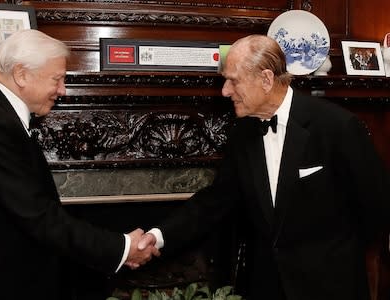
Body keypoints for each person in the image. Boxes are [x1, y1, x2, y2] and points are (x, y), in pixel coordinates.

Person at [137, 34, 390, 300]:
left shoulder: (338, 127)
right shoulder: (242, 133)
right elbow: (214, 202)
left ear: (266, 79)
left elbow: (376, 208)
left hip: (330, 289)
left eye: (233, 80)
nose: (225, 91)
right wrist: (158, 236)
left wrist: (332, 260)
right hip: (265, 287)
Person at [0, 29, 159, 300]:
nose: (62, 90)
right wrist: (123, 248)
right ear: (21, 75)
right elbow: (40, 217)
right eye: (57, 79)